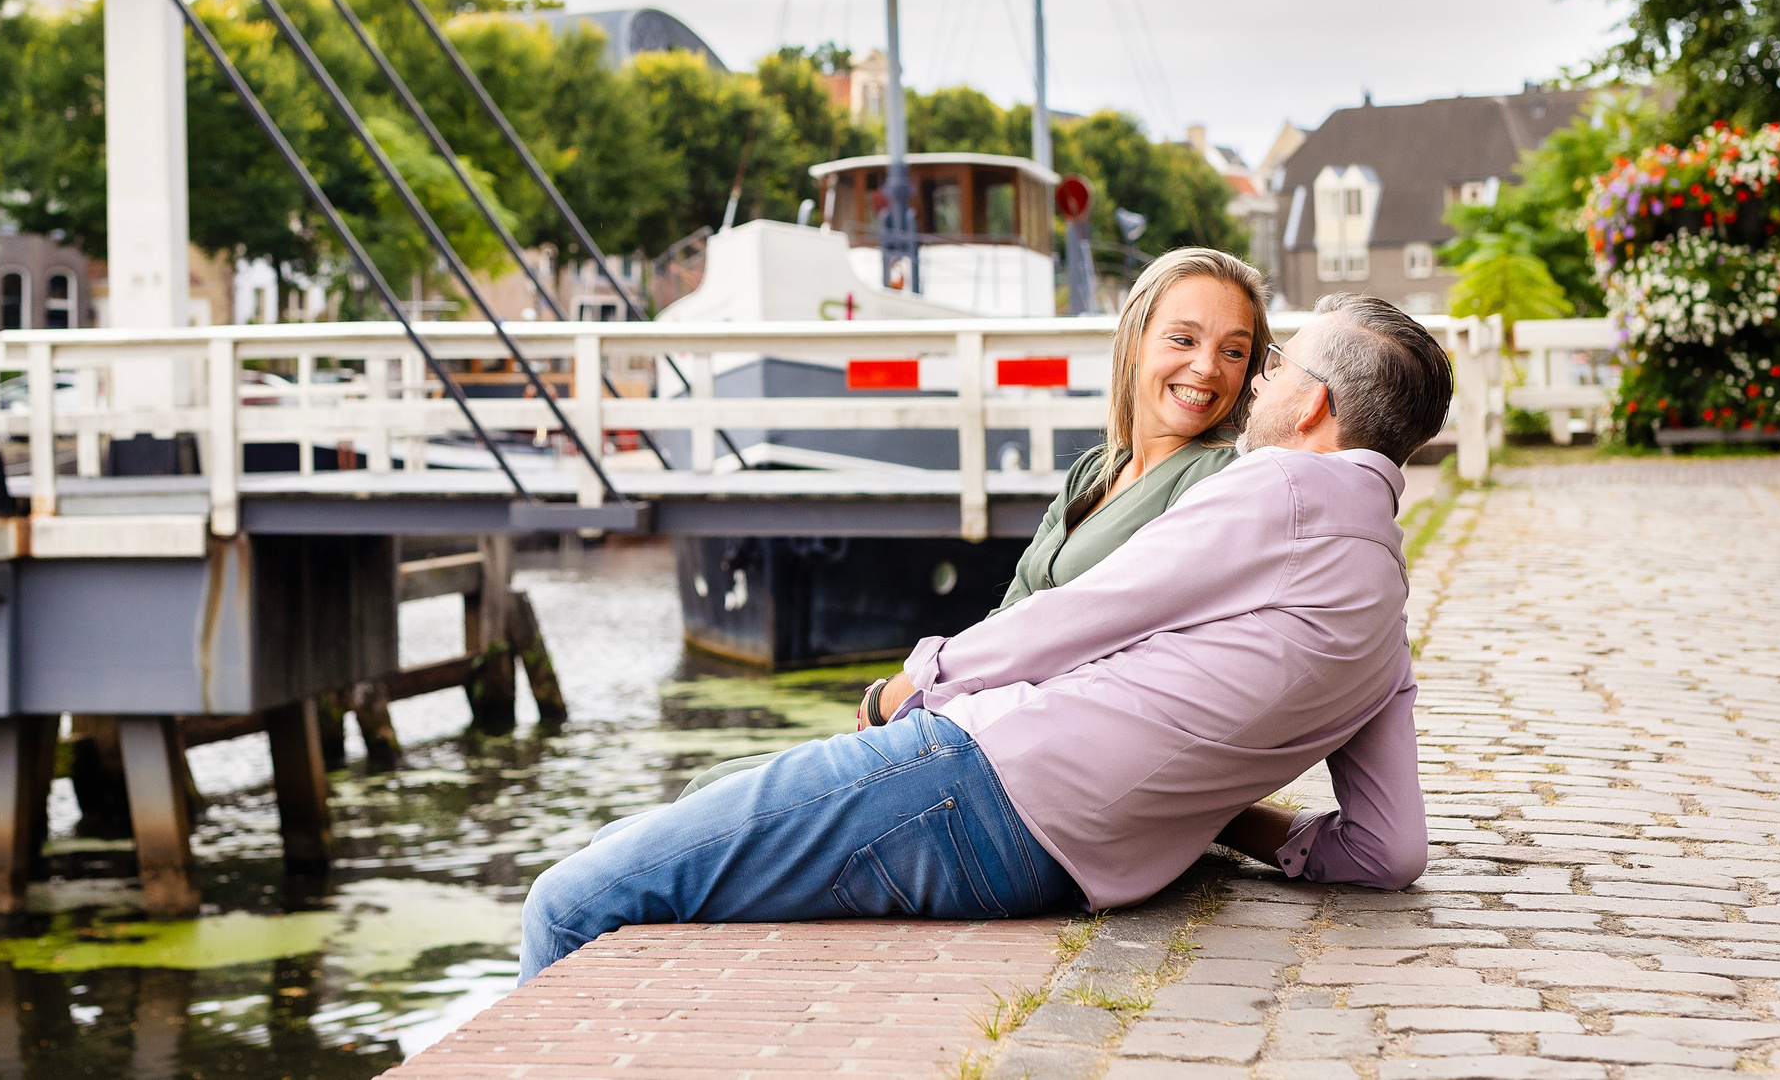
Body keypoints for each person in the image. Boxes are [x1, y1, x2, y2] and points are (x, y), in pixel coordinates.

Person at [519, 292, 1451, 982]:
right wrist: (1230, 816)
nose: (1258, 383)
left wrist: (916, 683)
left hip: (972, 778)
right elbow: (1388, 851)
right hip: (1053, 871)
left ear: (1317, 405)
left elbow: (1089, 612)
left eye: (1277, 362)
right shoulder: (1386, 615)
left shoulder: (1279, 486)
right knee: (677, 837)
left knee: (571, 900)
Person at [675, 246, 1272, 800]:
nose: (1206, 368)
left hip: (1033, 758)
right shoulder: (1092, 471)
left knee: (723, 795)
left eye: (1233, 351)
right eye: (1183, 338)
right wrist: (924, 694)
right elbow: (1009, 617)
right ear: (1136, 340)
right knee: (716, 781)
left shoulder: (1215, 480)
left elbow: (1083, 632)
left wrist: (916, 687)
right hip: (978, 724)